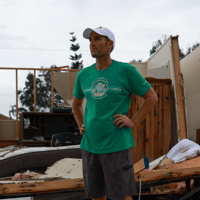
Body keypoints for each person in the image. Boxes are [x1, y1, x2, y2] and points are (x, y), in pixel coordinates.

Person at [72, 26, 158, 200]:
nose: (92, 44)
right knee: (96, 196)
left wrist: (133, 121)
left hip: (116, 146)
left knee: (122, 196)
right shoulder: (83, 75)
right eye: (90, 40)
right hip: (90, 146)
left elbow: (151, 97)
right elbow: (76, 103)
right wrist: (82, 124)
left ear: (110, 44)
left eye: (97, 39)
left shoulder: (126, 71)